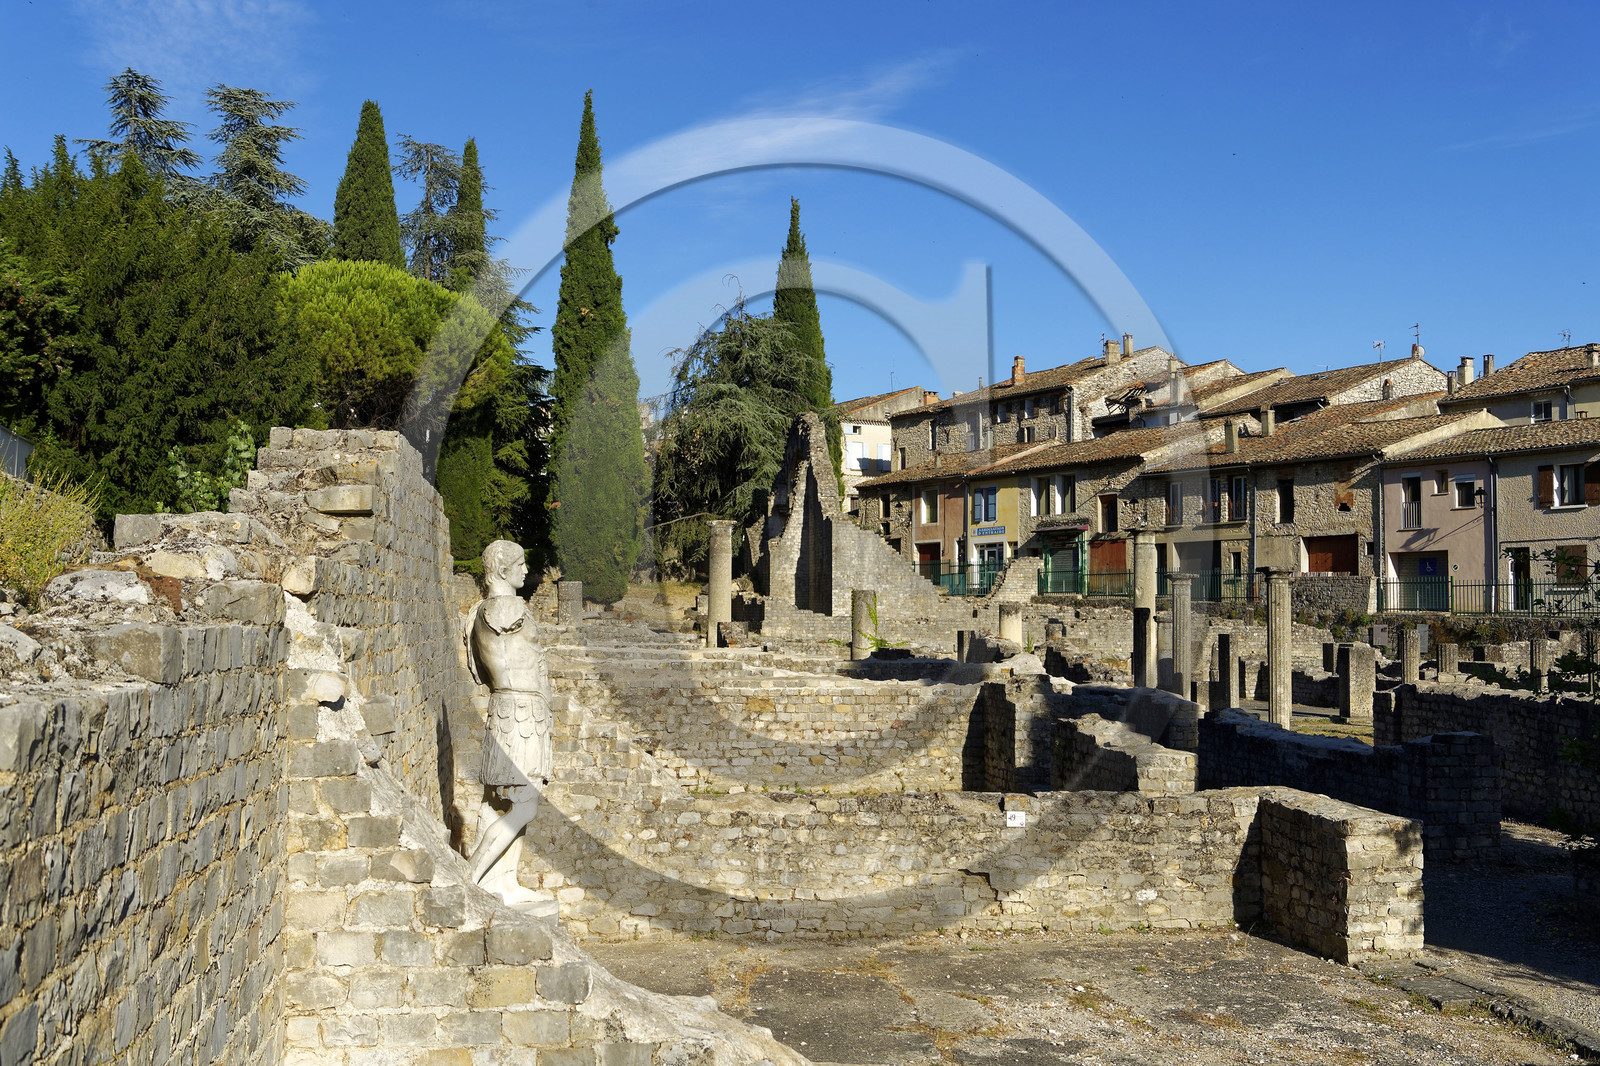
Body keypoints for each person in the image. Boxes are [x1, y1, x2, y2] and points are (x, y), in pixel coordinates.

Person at [463, 539, 552, 891]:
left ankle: (504, 883)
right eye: (520, 564)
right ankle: (470, 879)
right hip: (522, 713)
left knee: (496, 801)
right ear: (502, 570)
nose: (527, 571)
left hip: (507, 708)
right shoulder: (506, 608)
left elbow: (478, 672)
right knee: (525, 807)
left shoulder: (477, 611)